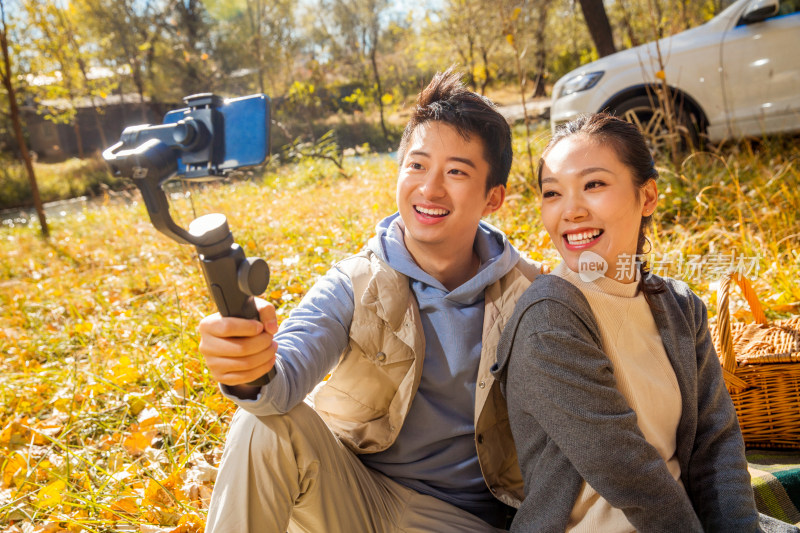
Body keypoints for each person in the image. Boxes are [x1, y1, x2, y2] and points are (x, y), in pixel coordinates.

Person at [197, 69, 542, 532]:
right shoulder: (355, 280)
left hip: (459, 521)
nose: (430, 188)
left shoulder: (531, 296)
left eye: (456, 172)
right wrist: (249, 367)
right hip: (351, 496)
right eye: (416, 165)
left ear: (493, 197)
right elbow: (281, 381)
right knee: (265, 426)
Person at [492, 113, 796, 532]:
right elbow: (629, 474)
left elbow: (716, 442)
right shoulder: (549, 318)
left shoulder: (680, 306)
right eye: (552, 193)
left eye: (593, 184)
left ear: (647, 196)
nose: (571, 210)